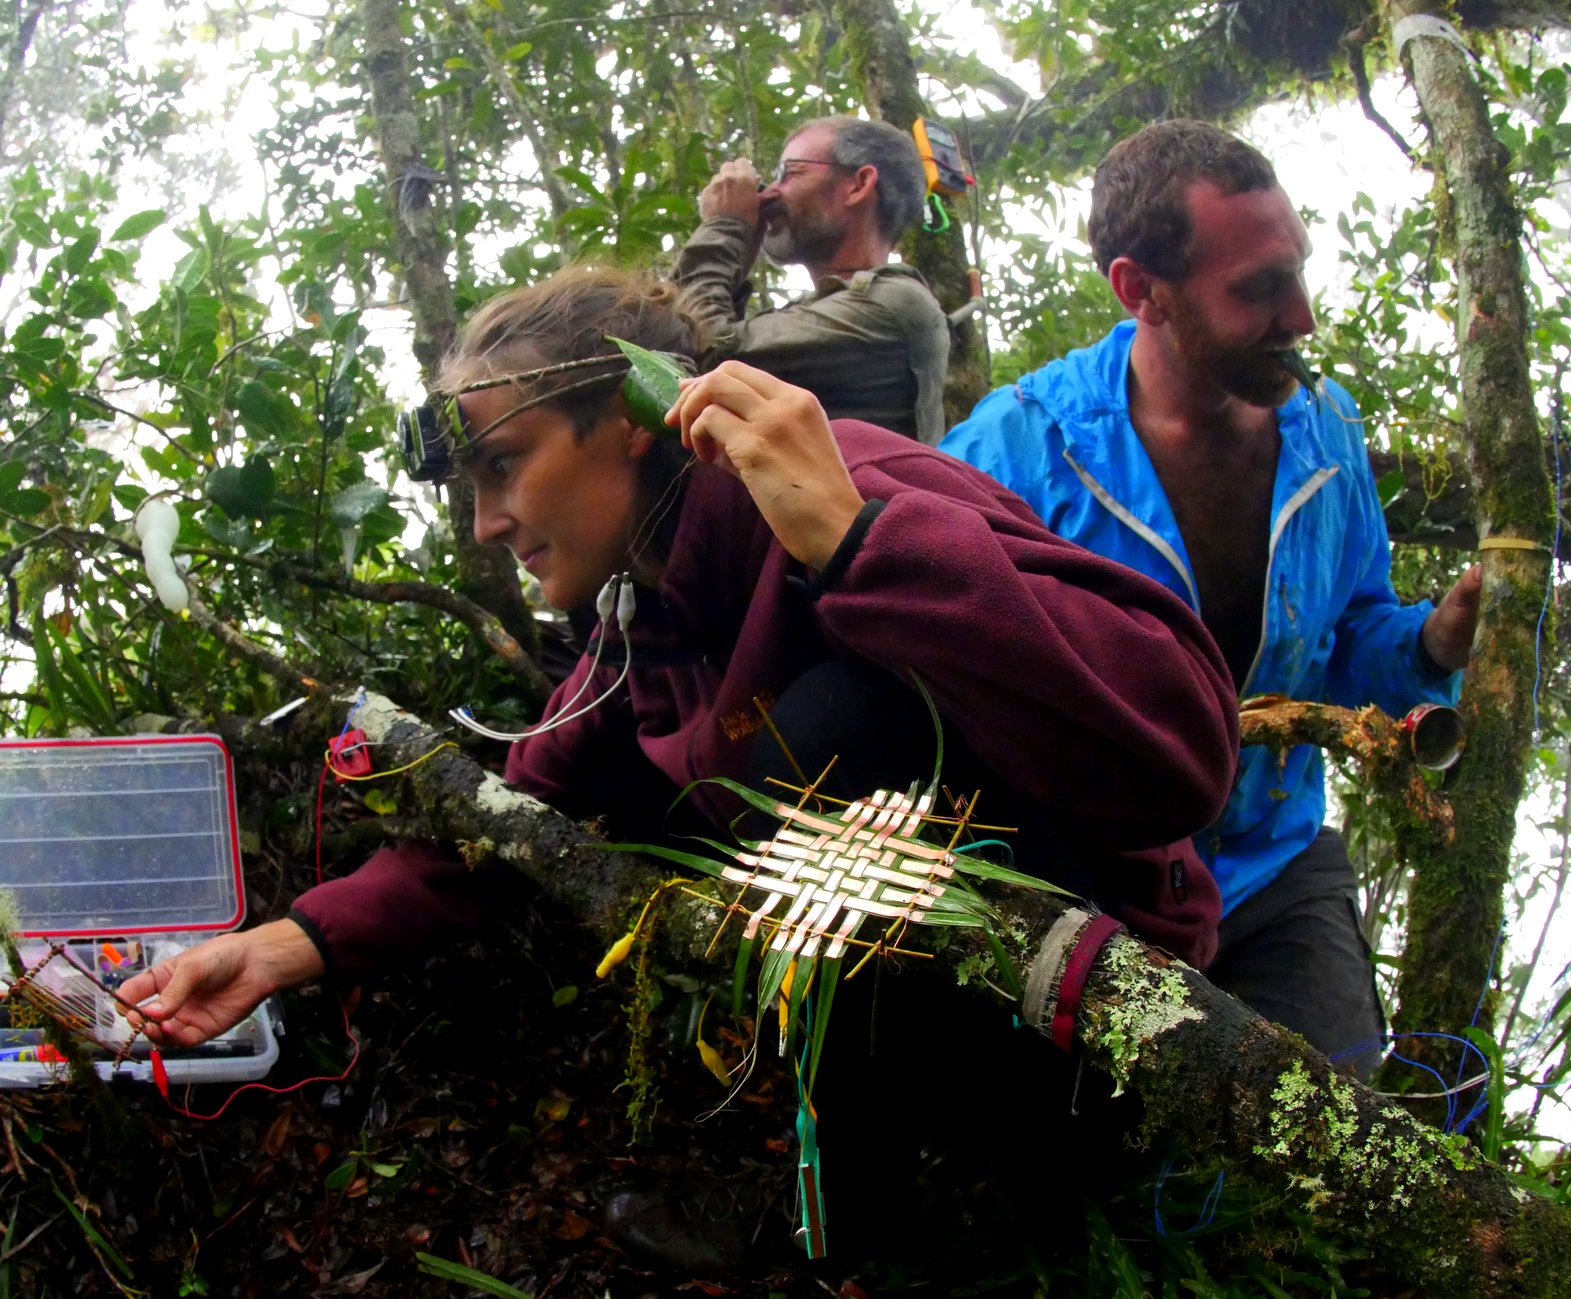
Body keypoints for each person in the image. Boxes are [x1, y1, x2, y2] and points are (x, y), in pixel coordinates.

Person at [119, 264, 1236, 1262]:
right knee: (727, 771)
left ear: (631, 419)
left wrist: (855, 542)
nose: (486, 522)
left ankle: (945, 1194)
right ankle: (873, 1201)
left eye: (504, 464)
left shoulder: (838, 475)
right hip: (963, 1036)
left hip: (1113, 1039)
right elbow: (515, 816)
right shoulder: (639, 620)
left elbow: (1185, 746)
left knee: (829, 729)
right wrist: (287, 946)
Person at [941, 120, 1483, 1078]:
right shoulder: (1022, 452)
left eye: (1297, 271)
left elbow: (1353, 636)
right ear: (1140, 289)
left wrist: (1432, 645)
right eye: (1260, 288)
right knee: (1102, 1139)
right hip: (1096, 883)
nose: (1301, 317)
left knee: (1335, 1130)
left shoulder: (1324, 431)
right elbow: (936, 669)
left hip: (1275, 868)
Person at [674, 115, 950, 444]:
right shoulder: (830, 306)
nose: (770, 193)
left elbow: (696, 357)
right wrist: (739, 252)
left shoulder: (891, 303)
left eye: (788, 173)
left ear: (858, 186)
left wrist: (725, 226)